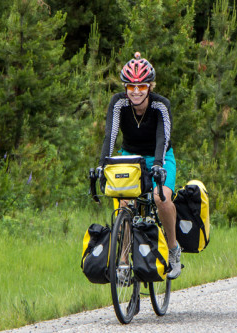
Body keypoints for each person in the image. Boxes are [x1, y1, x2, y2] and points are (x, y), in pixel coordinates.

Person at [98, 52, 182, 279]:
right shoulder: (118, 103)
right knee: (124, 202)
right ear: (125, 87)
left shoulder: (160, 105)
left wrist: (157, 165)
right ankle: (124, 261)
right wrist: (101, 165)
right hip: (130, 158)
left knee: (160, 197)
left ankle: (173, 249)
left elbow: (163, 138)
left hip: (160, 155)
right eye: (131, 86)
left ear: (149, 86)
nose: (136, 91)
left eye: (142, 86)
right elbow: (110, 135)